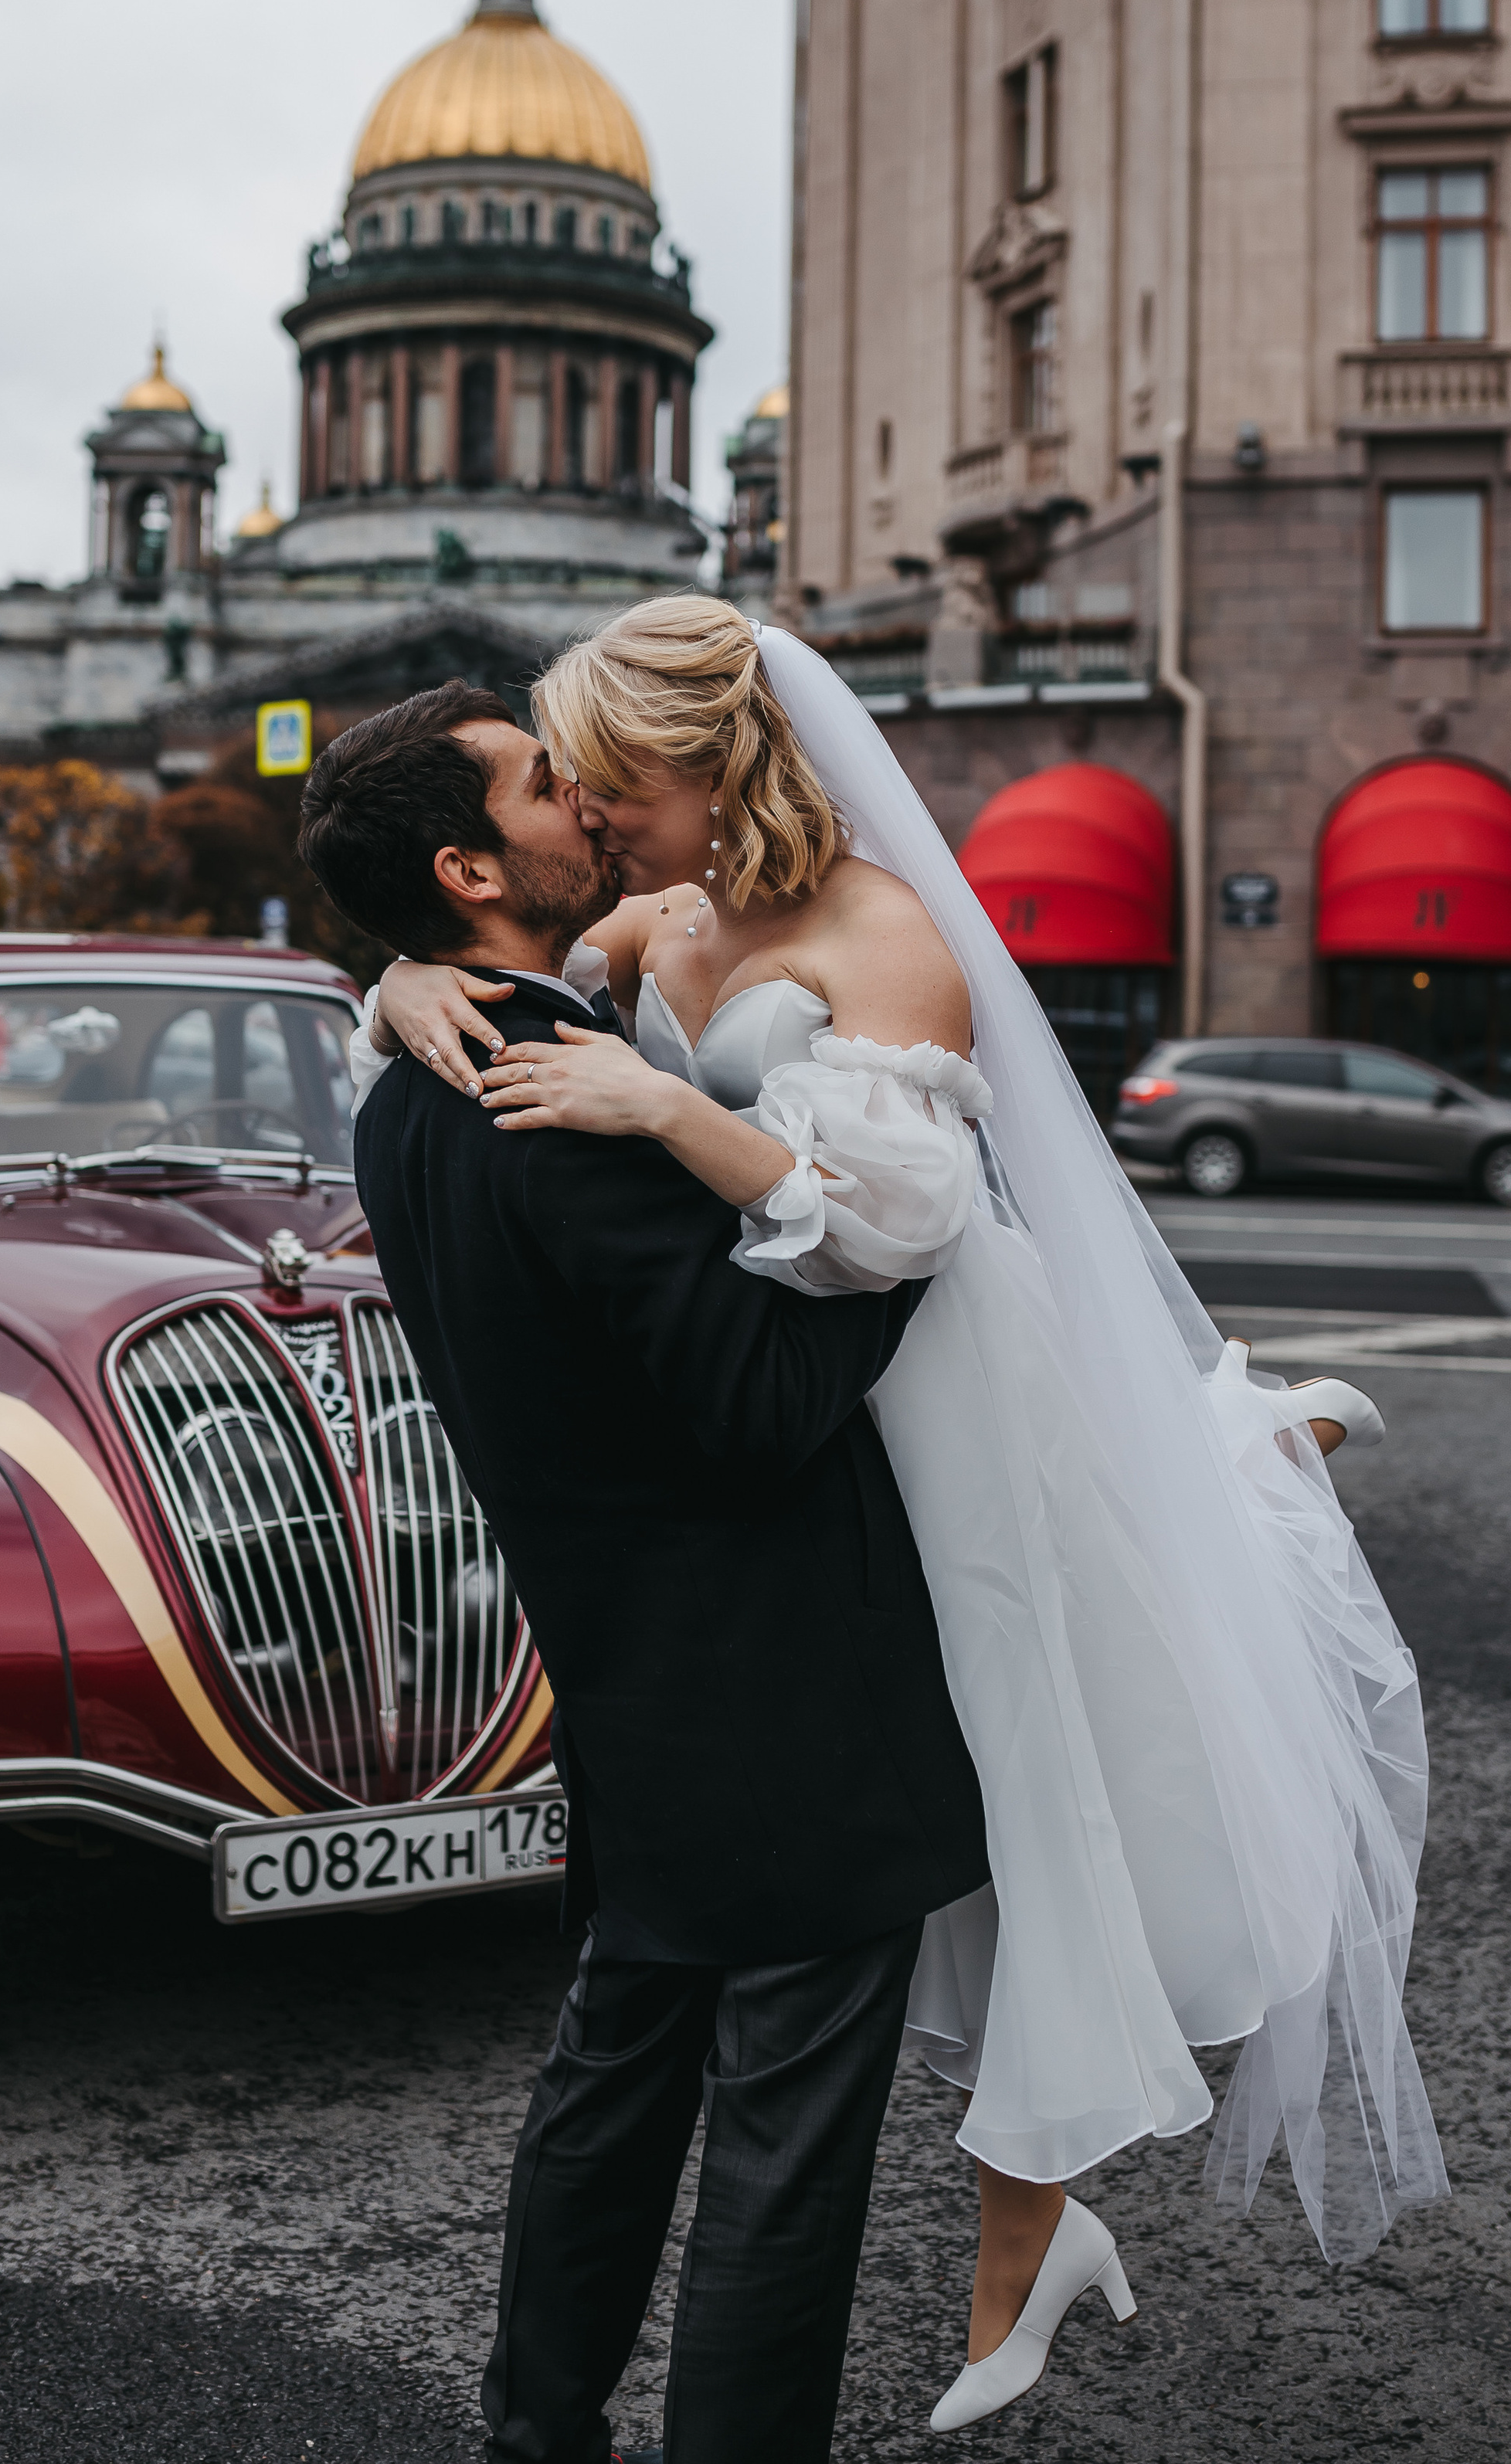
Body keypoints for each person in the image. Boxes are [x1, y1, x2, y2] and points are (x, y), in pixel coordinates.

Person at [358, 600, 1448, 2434]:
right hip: (802, 1434)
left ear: (717, 763)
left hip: (915, 1360)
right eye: (573, 790)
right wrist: (397, 983)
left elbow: (892, 1228)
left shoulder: (886, 934)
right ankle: (1027, 2232)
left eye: (612, 781)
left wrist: (652, 1098)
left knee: (1059, 1759)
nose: (597, 817)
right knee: (1015, 1789)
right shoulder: (654, 914)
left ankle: (1024, 2227)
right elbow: (485, 962)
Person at [294, 680, 993, 2464]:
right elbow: (768, 1400)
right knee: (779, 2146)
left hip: (615, 1684)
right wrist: (898, 1225)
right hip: (789, 1702)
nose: (584, 794)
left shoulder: (413, 1087)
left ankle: (536, 2432)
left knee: (608, 2087)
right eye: (543, 783)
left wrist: (395, 975)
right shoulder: (576, 1116)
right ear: (468, 867)